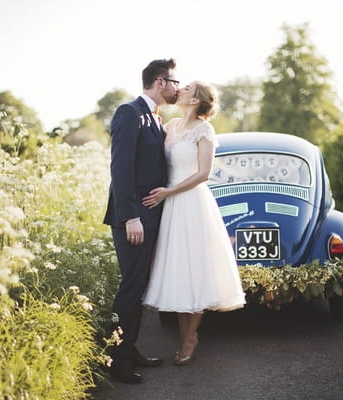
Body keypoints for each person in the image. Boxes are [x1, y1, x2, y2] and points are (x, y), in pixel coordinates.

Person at [142, 81, 246, 366]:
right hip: (170, 205)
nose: (181, 89)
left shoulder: (205, 130)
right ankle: (184, 335)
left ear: (196, 99)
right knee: (178, 269)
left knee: (196, 268)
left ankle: (189, 338)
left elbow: (203, 174)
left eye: (186, 88)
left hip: (192, 202)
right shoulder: (170, 126)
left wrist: (169, 192)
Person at [103, 58, 179, 384]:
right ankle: (115, 360)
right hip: (133, 218)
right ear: (160, 82)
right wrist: (131, 216)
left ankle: (128, 347)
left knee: (139, 285)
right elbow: (120, 170)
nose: (178, 87)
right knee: (131, 287)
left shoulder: (154, 118)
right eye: (175, 81)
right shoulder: (130, 113)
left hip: (149, 215)